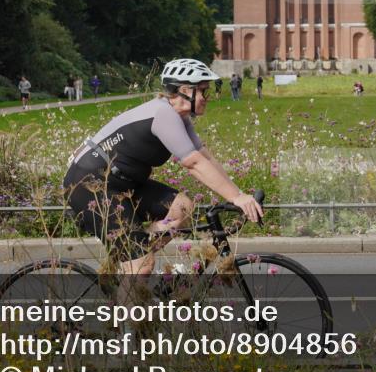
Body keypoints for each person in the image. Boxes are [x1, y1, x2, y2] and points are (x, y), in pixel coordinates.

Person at [63, 58, 263, 287]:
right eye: (204, 92)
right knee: (142, 267)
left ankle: (131, 253)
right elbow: (193, 163)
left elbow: (205, 157)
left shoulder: (180, 117)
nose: (209, 98)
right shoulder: (163, 114)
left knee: (182, 208)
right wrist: (237, 198)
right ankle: (130, 305)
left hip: (123, 183)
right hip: (89, 184)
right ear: (186, 90)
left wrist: (239, 195)